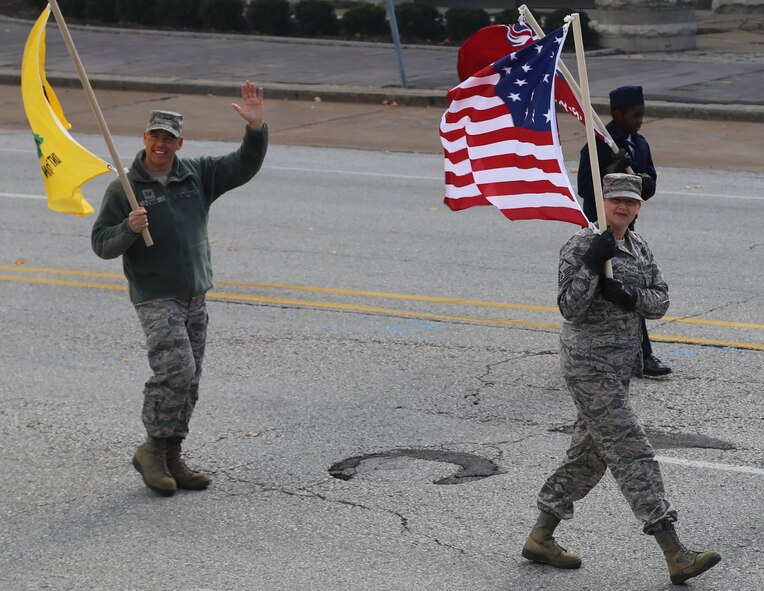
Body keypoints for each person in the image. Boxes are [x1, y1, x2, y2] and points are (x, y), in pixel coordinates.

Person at [521, 173, 720, 585]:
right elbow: (569, 308)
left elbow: (661, 300)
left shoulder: (639, 245)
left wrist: (630, 298)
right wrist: (594, 264)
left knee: (590, 456)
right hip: (588, 365)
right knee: (632, 451)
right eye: (616, 201)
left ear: (638, 207)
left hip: (620, 367)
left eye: (631, 202)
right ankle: (674, 550)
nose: (623, 208)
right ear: (602, 202)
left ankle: (540, 537)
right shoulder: (581, 244)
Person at [91, 80, 268, 496]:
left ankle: (172, 455)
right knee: (176, 371)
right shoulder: (125, 189)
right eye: (155, 136)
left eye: (168, 138)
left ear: (179, 142)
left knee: (191, 380)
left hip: (194, 293)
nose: (160, 144)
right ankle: (151, 449)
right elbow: (101, 244)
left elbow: (244, 164)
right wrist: (128, 229)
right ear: (145, 138)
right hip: (156, 294)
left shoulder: (198, 175)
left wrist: (256, 128)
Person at [577, 85, 671, 378]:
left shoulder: (639, 144)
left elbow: (650, 187)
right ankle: (586, 351)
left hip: (627, 230)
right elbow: (584, 188)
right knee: (596, 292)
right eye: (635, 115)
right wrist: (613, 170)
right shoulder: (597, 145)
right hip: (600, 229)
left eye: (642, 114)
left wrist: (641, 180)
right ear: (617, 114)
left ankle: (642, 355)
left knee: (631, 289)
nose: (640, 120)